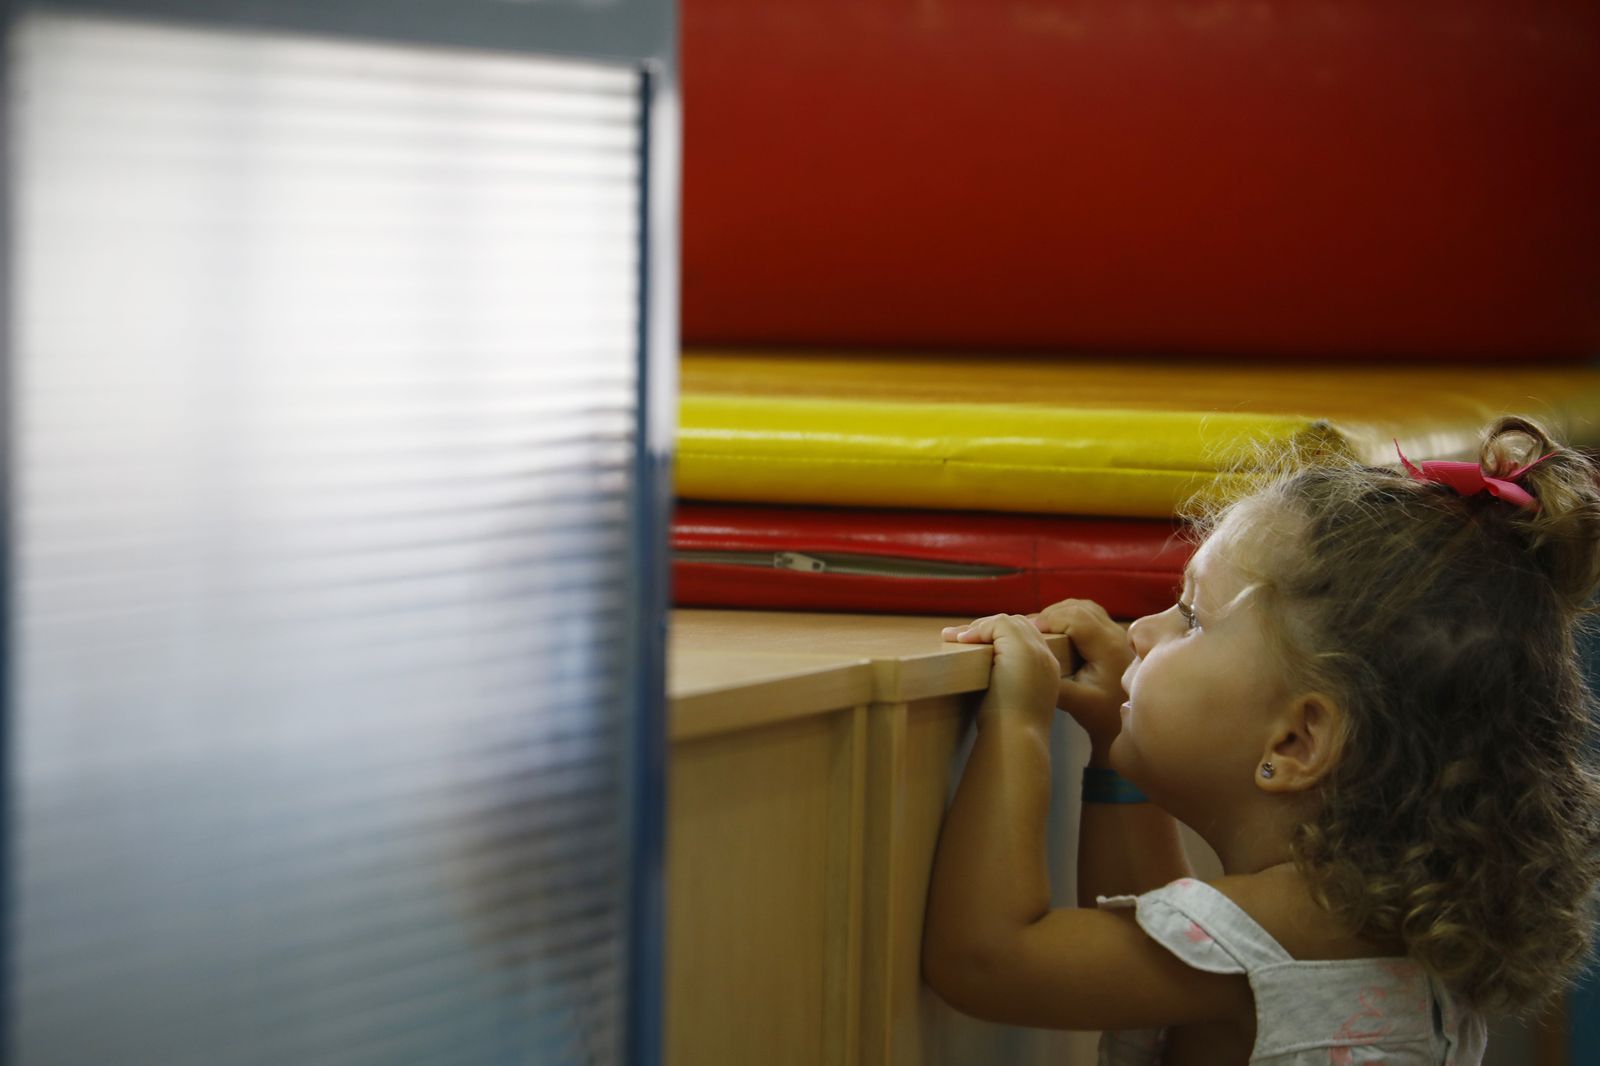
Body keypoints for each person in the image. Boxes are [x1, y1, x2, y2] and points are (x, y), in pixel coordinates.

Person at [921, 416, 1600, 1065]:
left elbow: (988, 961)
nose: (1141, 632)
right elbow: (1141, 946)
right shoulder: (1343, 919)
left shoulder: (1302, 928)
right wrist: (1112, 737)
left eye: (1190, 619)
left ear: (1297, 742)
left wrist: (1016, 724)